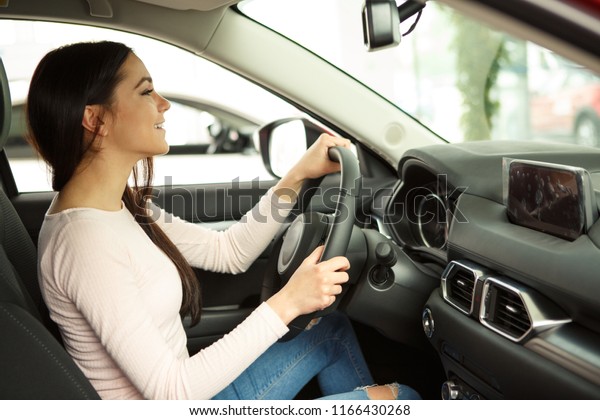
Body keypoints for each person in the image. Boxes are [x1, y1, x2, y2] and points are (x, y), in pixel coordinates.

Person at [27, 41, 420, 400]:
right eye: (146, 92)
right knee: (403, 400)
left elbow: (229, 252)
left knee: (331, 332)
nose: (163, 104)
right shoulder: (84, 242)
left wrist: (297, 175)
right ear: (95, 119)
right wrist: (289, 301)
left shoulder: (122, 206)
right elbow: (171, 391)